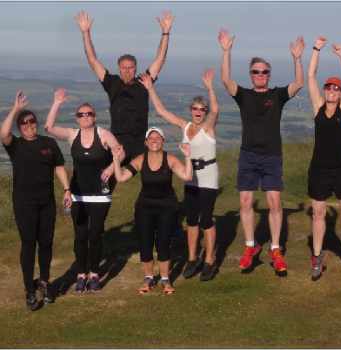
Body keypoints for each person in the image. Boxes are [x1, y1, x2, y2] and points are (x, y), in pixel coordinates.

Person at [218, 29, 304, 275]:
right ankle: (250, 246)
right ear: (251, 75)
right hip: (248, 155)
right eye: (256, 71)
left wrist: (297, 58)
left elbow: (298, 84)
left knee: (274, 202)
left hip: (272, 156)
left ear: (269, 75)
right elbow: (225, 80)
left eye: (264, 71)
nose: (260, 75)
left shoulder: (277, 95)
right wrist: (226, 51)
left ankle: (276, 249)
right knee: (245, 201)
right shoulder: (243, 95)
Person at [139, 69, 220, 281]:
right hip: (191, 176)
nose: (198, 112)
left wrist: (210, 87)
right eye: (195, 109)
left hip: (209, 178)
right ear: (190, 110)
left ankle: (210, 261)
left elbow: (216, 110)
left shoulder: (209, 128)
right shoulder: (185, 126)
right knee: (192, 220)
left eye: (202, 109)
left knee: (207, 220)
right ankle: (193, 259)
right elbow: (162, 111)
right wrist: (150, 88)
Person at [1, 91, 71, 310]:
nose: (28, 125)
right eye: (24, 123)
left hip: (46, 202)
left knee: (47, 244)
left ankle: (45, 282)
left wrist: (67, 189)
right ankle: (29, 291)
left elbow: (59, 166)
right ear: (19, 127)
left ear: (36, 124)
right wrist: (15, 109)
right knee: (29, 245)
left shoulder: (48, 143)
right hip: (24, 204)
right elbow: (3, 134)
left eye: (31, 121)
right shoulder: (16, 146)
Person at [45, 89, 120, 293]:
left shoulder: (103, 135)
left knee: (95, 234)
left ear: (94, 117)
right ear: (77, 118)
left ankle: (94, 273)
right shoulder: (72, 135)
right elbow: (49, 127)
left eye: (89, 114)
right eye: (81, 114)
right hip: (78, 193)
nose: (85, 117)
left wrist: (111, 168)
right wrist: (57, 103)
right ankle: (81, 273)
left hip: (100, 195)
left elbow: (119, 152)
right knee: (80, 236)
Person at [74, 10, 174, 163]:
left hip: (141, 142)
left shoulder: (144, 81)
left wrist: (165, 33)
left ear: (135, 68)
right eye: (124, 67)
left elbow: (160, 59)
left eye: (131, 67)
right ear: (119, 68)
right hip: (117, 142)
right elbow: (93, 61)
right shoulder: (112, 82)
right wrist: (85, 33)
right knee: (107, 178)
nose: (127, 70)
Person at [306, 36, 341, 283]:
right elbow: (310, 77)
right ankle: (317, 258)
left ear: (340, 94)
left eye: (335, 88)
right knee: (318, 214)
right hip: (319, 169)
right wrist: (316, 49)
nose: (331, 90)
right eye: (328, 87)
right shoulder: (317, 107)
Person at [112, 127, 192, 294]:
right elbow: (121, 178)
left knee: (163, 243)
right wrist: (115, 159)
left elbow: (187, 176)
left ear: (163, 141)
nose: (154, 140)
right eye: (151, 138)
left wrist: (188, 156)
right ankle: (148, 278)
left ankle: (165, 279)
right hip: (145, 208)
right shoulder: (140, 160)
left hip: (167, 208)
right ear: (146, 142)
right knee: (145, 244)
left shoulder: (169, 159)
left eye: (158, 138)